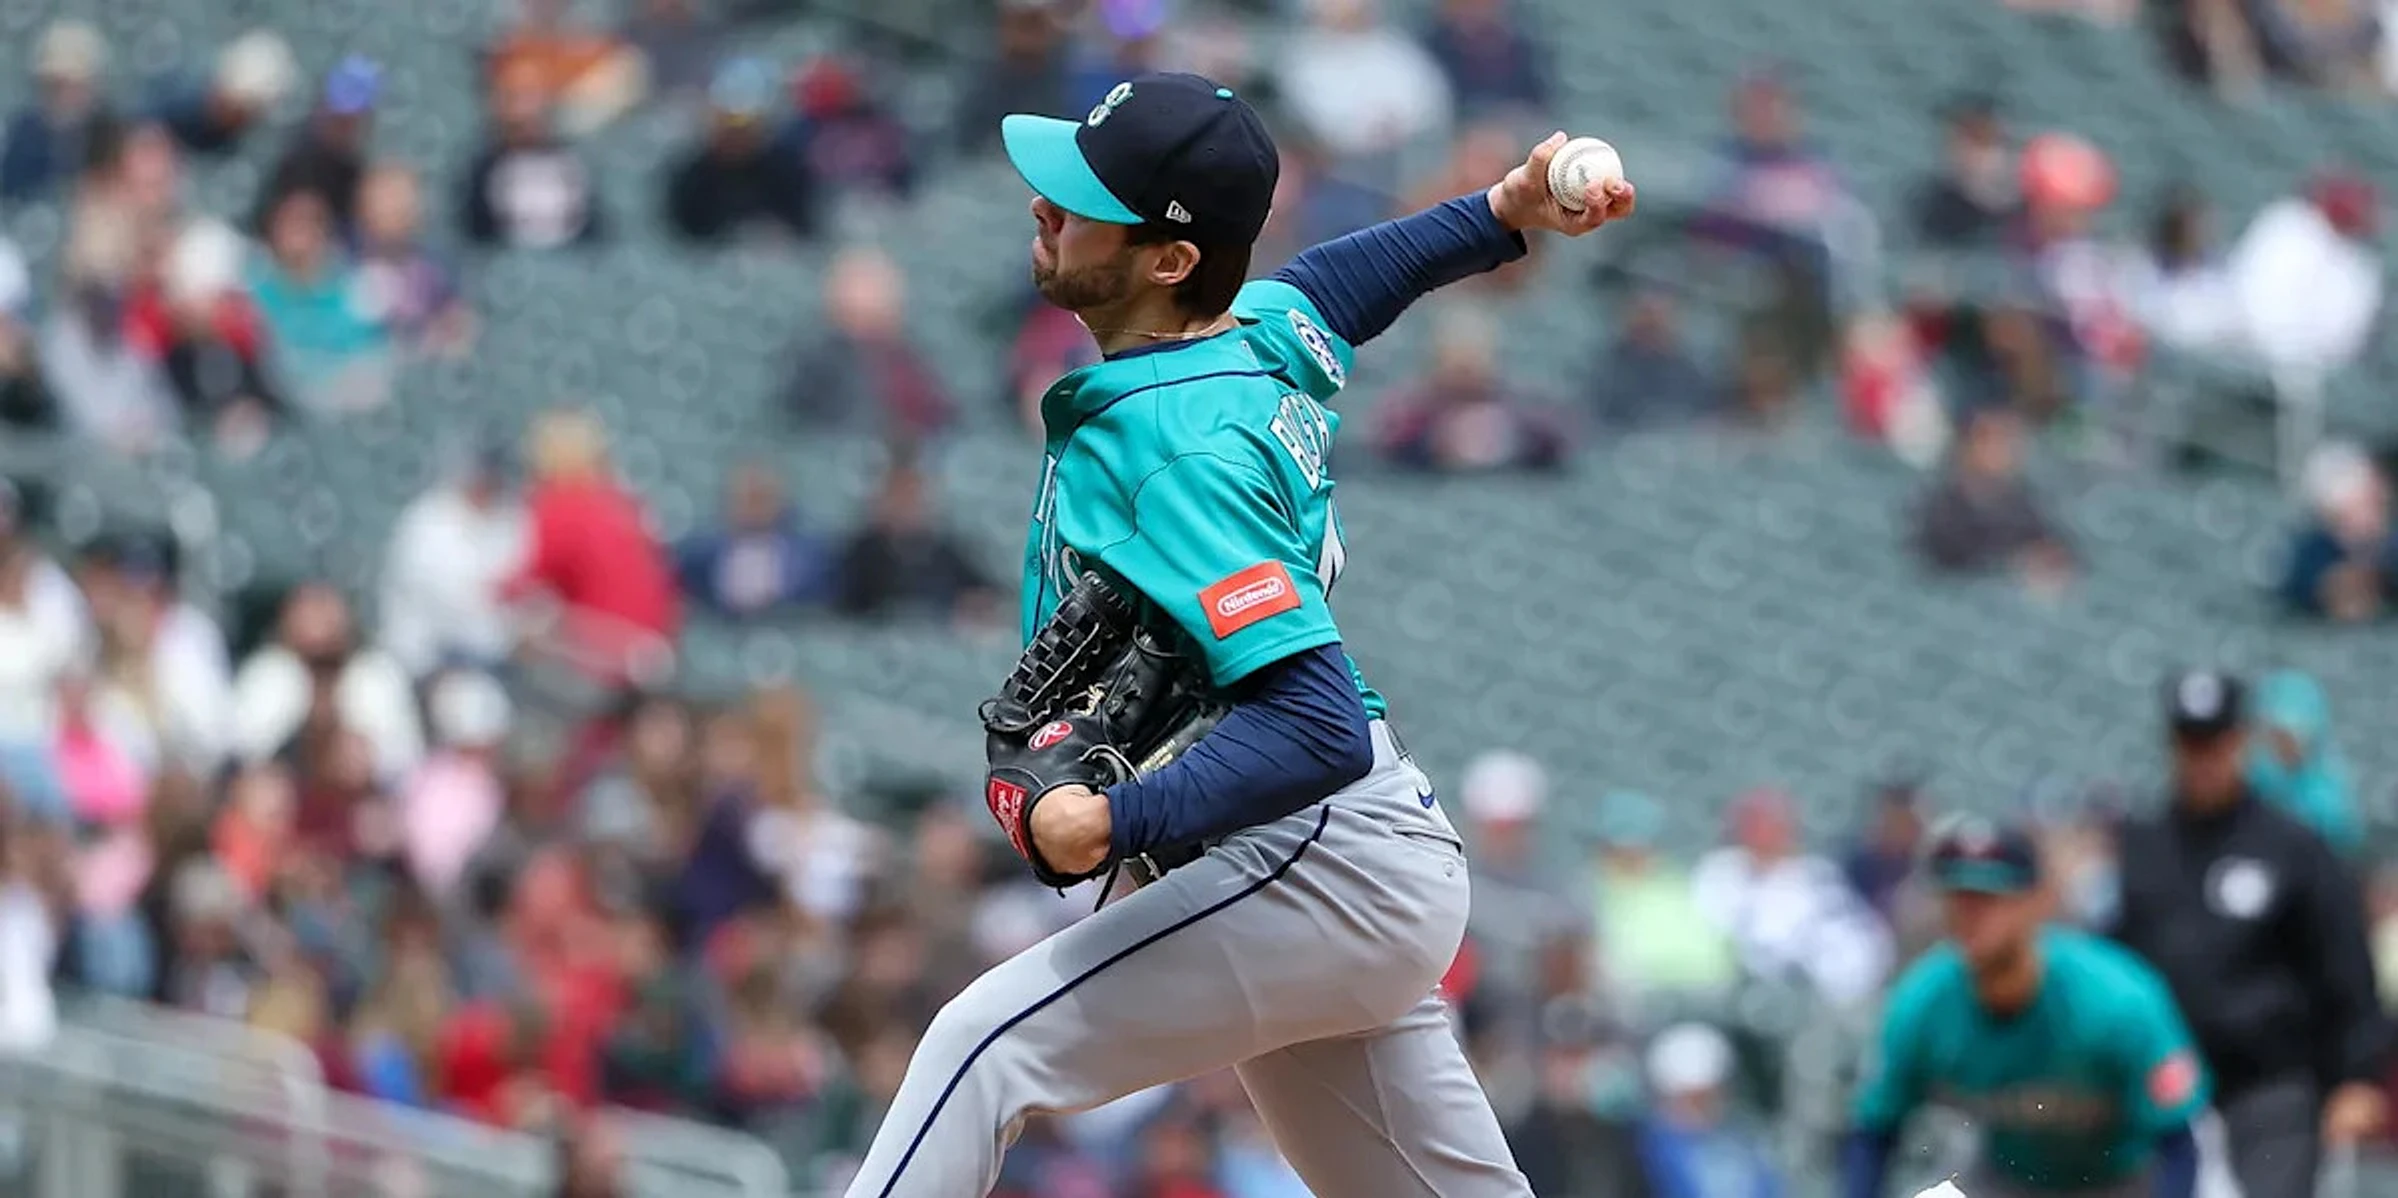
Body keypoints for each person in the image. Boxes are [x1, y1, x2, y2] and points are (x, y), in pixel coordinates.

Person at [837, 72, 1633, 1198]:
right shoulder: (1244, 334)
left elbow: (1316, 725)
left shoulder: (1182, 449)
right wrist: (1499, 211)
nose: (1043, 206)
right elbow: (1335, 284)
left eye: (1083, 201)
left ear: (1170, 260)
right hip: (1351, 863)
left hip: (1315, 859)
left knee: (981, 1049)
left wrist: (1111, 819)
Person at [2108, 670, 2391, 1198]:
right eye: (2190, 743)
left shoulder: (2292, 845)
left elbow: (2345, 966)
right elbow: (2116, 970)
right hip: (2165, 1091)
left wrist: (2356, 1076)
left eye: (2215, 742)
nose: (2203, 759)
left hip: (2270, 1089)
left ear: (2240, 741)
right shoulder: (2141, 846)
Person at [1845, 819, 2206, 1198]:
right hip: (2009, 1179)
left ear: (2037, 901)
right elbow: (1874, 1131)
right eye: (1959, 897)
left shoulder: (2115, 1000)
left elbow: (2179, 1143)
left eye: (1989, 898)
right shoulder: (1924, 1002)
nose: (1971, 914)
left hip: (2125, 1179)